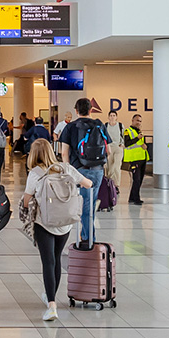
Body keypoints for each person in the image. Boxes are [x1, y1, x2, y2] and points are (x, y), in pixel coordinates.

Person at [24, 138, 84, 322]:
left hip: (45, 223)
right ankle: (51, 297)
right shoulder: (66, 168)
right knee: (56, 259)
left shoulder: (35, 174)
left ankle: (51, 305)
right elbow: (87, 183)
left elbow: (26, 201)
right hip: (65, 223)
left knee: (48, 262)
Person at [60, 99, 111, 243]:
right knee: (90, 203)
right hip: (98, 170)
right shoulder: (99, 125)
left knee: (84, 205)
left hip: (79, 171)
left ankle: (89, 238)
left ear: (76, 110)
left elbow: (64, 153)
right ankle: (87, 235)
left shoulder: (70, 127)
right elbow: (109, 150)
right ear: (90, 110)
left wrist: (68, 172)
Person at [122, 116, 149, 206]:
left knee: (140, 179)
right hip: (134, 159)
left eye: (140, 121)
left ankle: (132, 198)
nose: (139, 122)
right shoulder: (127, 131)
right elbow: (127, 143)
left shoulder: (139, 131)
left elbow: (139, 144)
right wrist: (137, 138)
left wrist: (144, 145)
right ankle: (136, 198)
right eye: (137, 120)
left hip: (142, 157)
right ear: (132, 120)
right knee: (136, 179)